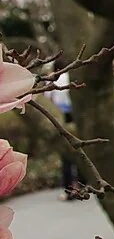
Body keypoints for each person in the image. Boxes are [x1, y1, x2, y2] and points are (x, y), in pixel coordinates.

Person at [48, 71, 78, 200]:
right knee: (78, 151)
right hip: (74, 117)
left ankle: (69, 189)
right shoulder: (72, 77)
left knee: (66, 156)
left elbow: (48, 99)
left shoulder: (51, 79)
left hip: (60, 118)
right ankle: (81, 185)